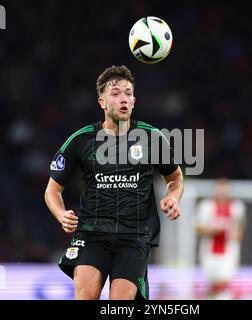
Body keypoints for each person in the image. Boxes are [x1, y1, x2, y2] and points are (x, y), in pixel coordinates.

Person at [44, 65, 184, 300]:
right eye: (116, 93)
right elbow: (52, 190)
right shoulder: (81, 140)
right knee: (86, 295)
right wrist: (60, 214)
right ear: (101, 102)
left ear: (134, 100)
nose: (124, 98)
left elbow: (175, 177)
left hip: (134, 235)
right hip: (92, 233)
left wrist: (173, 196)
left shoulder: (152, 138)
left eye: (128, 93)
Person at [195, 178, 246, 300]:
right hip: (209, 252)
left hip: (229, 252)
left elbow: (240, 231)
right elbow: (198, 227)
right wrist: (212, 231)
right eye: (220, 190)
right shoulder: (207, 206)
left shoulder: (237, 207)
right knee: (212, 286)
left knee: (224, 285)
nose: (222, 193)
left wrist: (235, 234)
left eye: (225, 190)